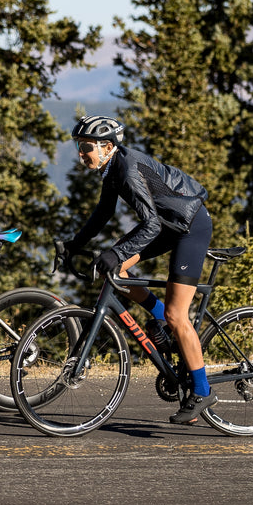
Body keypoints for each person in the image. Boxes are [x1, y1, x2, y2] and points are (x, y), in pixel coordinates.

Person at [62, 115, 217, 424]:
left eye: (87, 147)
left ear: (107, 146)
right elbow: (103, 212)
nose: (82, 154)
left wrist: (116, 251)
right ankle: (158, 316)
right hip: (165, 226)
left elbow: (151, 225)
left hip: (189, 227)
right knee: (116, 271)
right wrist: (74, 244)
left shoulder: (127, 170)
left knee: (177, 314)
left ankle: (201, 391)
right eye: (79, 147)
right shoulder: (111, 166)